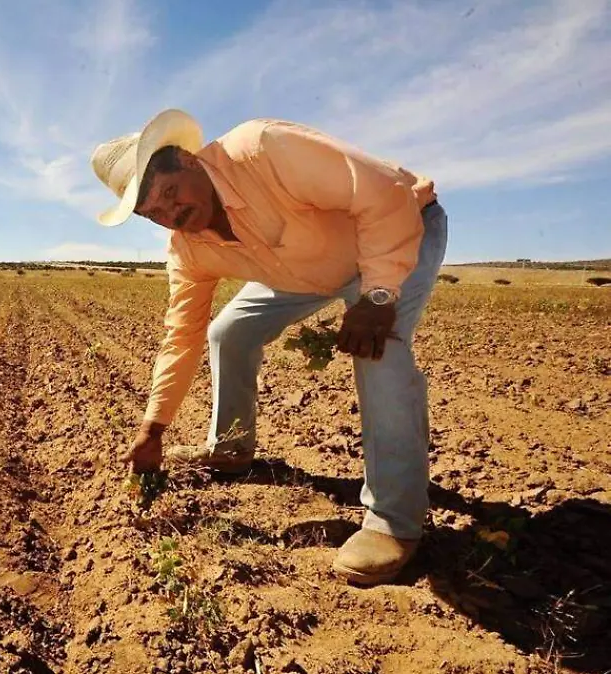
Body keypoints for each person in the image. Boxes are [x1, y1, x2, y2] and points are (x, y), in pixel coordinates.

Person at [90, 109, 447, 585]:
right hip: (304, 269)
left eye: (170, 193)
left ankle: (394, 524)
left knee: (377, 350)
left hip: (394, 233)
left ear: (188, 161)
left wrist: (378, 294)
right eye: (153, 212)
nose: (170, 214)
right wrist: (154, 428)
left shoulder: (264, 149)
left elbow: (383, 193)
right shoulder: (188, 247)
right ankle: (232, 448)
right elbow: (183, 333)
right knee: (227, 332)